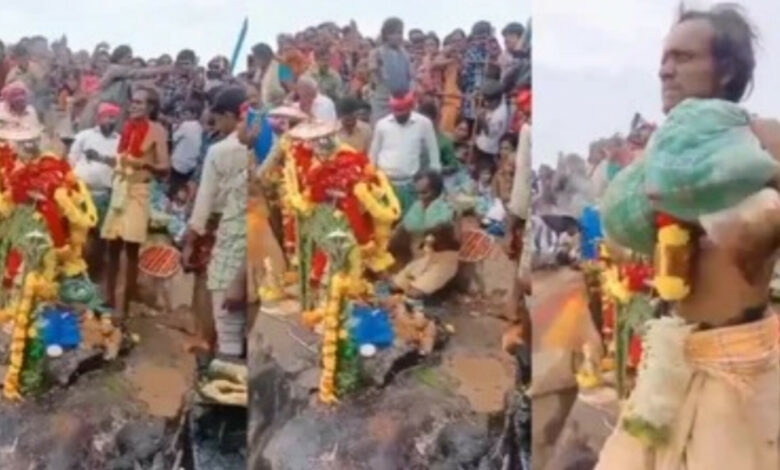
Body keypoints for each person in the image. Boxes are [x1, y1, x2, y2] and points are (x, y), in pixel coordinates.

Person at [596, 5, 780, 469]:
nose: (665, 69)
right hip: (674, 357)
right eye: (663, 57)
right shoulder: (658, 155)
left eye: (683, 57)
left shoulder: (762, 139)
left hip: (741, 367)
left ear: (726, 71)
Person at [183, 87, 249, 359]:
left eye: (218, 119)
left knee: (214, 288)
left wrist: (190, 238)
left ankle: (211, 345)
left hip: (221, 227)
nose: (216, 125)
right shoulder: (263, 143)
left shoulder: (220, 150)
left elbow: (204, 202)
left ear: (229, 116)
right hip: (257, 230)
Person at [101, 86, 170, 317]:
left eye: (140, 103)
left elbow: (165, 167)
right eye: (132, 101)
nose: (133, 105)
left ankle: (122, 307)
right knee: (111, 246)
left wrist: (146, 165)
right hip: (120, 188)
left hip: (139, 192)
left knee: (129, 251)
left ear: (150, 107)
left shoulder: (157, 130)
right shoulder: (128, 127)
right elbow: (122, 160)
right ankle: (107, 300)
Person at [68, 101, 121, 281]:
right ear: (99, 118)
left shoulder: (120, 141)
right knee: (78, 234)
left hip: (104, 195)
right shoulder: (84, 136)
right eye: (107, 116)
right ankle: (74, 272)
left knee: (99, 237)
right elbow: (72, 159)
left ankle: (94, 274)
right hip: (82, 193)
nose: (111, 120)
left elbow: (119, 165)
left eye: (114, 117)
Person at [390, 170, 460, 299]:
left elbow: (440, 228)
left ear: (436, 191)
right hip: (426, 258)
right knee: (394, 287)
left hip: (444, 260)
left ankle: (439, 289)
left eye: (424, 193)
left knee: (413, 294)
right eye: (417, 193)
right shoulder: (418, 206)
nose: (420, 197)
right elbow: (405, 227)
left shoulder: (445, 208)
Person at [369, 91, 441, 214]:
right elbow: (373, 155)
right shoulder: (382, 125)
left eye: (403, 112)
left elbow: (434, 153)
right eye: (396, 112)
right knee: (386, 219)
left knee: (408, 221)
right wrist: (370, 178)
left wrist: (434, 182)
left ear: (411, 108)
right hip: (385, 183)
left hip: (410, 185)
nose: (399, 116)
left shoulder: (424, 123)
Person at [369, 17, 413, 124]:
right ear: (386, 35)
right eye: (393, 33)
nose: (398, 36)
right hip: (383, 99)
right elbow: (374, 77)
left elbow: (410, 76)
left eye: (400, 33)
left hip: (404, 99)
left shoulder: (405, 54)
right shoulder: (377, 53)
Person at [170, 98, 204, 192]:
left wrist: (176, 127)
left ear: (194, 114)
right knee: (182, 189)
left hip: (178, 164)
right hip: (191, 166)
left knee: (173, 187)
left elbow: (173, 138)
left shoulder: (186, 125)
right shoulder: (200, 128)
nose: (183, 116)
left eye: (186, 113)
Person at [474, 79, 508, 170]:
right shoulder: (499, 100)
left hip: (488, 150)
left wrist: (481, 118)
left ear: (496, 100)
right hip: (481, 143)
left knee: (483, 172)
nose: (486, 103)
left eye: (489, 101)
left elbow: (489, 133)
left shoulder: (500, 115)